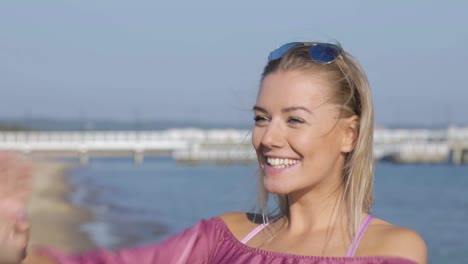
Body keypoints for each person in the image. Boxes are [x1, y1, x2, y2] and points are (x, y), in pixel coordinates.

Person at [3, 41, 427, 264]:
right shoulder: (222, 238)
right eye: (261, 118)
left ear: (349, 135)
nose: (268, 138)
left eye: (294, 119)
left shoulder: (392, 250)